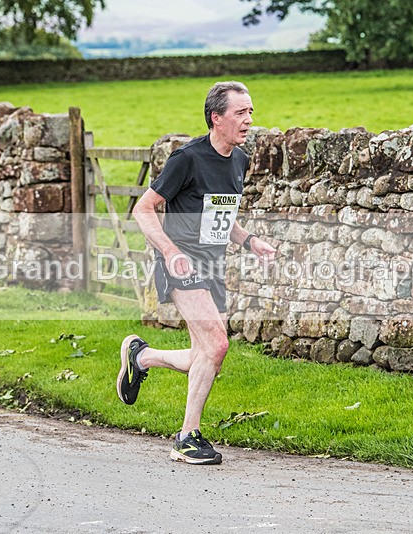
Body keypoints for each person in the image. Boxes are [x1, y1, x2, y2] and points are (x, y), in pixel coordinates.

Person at [116, 81, 276, 465]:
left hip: (212, 265)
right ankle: (187, 438)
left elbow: (220, 217)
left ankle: (141, 358)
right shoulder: (186, 159)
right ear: (216, 118)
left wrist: (249, 240)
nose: (249, 120)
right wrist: (170, 253)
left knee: (207, 354)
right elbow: (144, 209)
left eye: (251, 112)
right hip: (182, 262)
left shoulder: (240, 160)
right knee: (217, 345)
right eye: (241, 113)